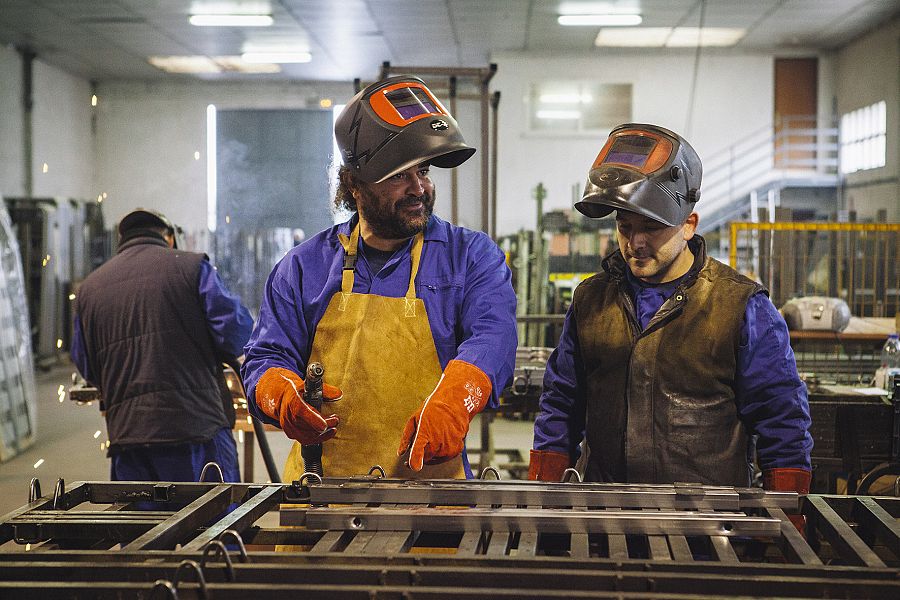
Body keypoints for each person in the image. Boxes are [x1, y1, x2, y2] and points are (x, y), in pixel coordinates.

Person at [242, 76, 517, 481]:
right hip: (321, 496)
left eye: (423, 171)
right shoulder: (303, 268)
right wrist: (279, 393)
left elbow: (494, 337)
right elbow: (266, 358)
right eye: (398, 176)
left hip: (435, 501)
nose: (419, 188)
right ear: (353, 184)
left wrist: (456, 399)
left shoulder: (471, 257)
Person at [529, 124, 813, 499]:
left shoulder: (740, 307)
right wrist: (544, 497)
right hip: (606, 516)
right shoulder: (591, 301)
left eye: (652, 227)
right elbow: (561, 406)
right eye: (625, 226)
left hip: (710, 529)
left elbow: (782, 420)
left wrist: (789, 514)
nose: (636, 243)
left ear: (688, 225)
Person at [71, 208, 253, 483]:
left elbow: (88, 366)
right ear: (169, 238)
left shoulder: (90, 288)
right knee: (214, 522)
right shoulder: (191, 267)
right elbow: (236, 333)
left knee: (142, 525)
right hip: (198, 433)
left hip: (128, 439)